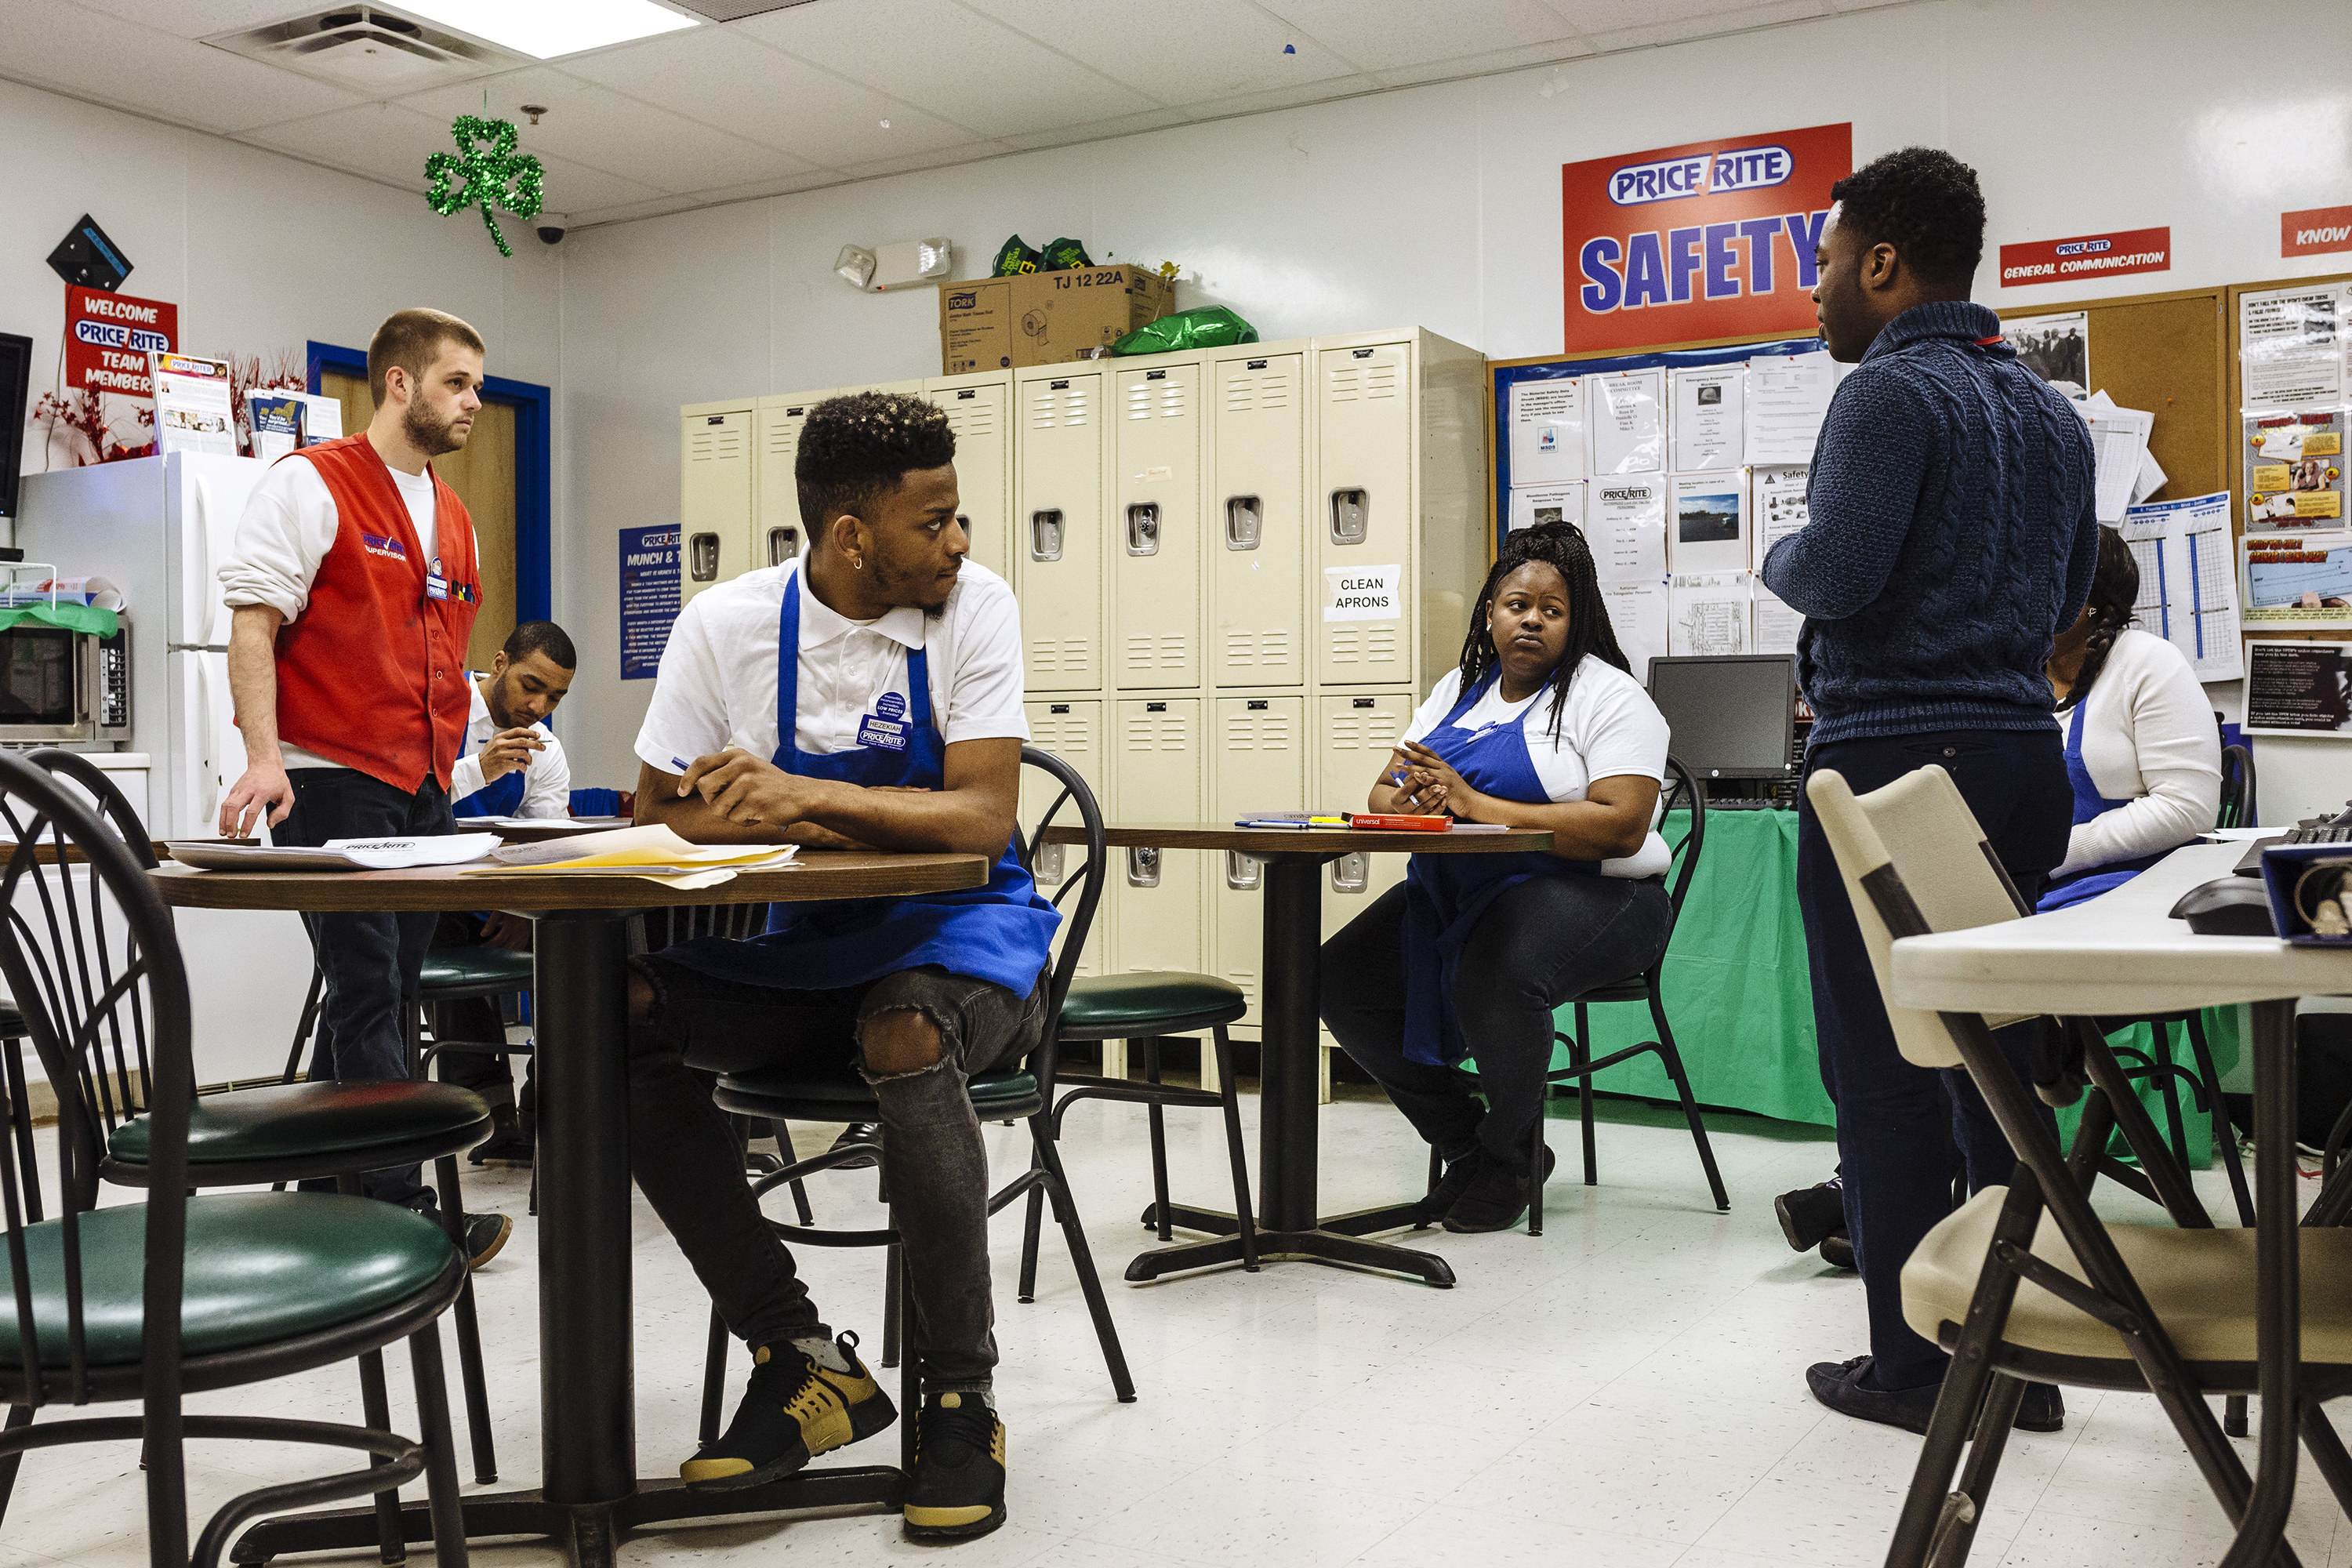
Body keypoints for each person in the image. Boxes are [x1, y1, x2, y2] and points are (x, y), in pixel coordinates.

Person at [626, 391, 1054, 1541]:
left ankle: (960, 1398)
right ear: (850, 534)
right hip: (807, 959)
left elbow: (978, 822)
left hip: (965, 951)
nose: (960, 543)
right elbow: (658, 809)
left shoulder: (977, 609)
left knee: (903, 1029)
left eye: (960, 518)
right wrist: (791, 824)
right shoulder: (726, 625)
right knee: (611, 1013)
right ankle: (801, 1355)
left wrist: (804, 800)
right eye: (936, 522)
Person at [1758, 147, 2099, 1435]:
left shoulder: (1889, 397)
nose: (1818, 293)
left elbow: (1836, 573)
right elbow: (2072, 598)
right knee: (1994, 1071)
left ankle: (1914, 1369)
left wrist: (1781, 549)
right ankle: (2023, 1350)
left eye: (1829, 265)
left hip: (1894, 764)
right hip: (2018, 760)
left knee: (1884, 1073)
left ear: (1886, 266)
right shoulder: (2051, 415)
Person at [217, 306, 510, 1268]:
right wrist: (263, 755)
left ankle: (325, 1186)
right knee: (368, 986)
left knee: (390, 985)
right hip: (329, 774)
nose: (474, 399)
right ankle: (400, 1206)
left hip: (421, 784)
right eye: (458, 381)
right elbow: (255, 625)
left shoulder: (455, 517)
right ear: (399, 383)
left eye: (477, 383)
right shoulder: (312, 483)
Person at [1319, 523, 1674, 1235]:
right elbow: (1382, 795)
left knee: (1496, 973)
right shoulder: (1457, 689)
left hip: (1602, 895)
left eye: (1553, 609)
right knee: (1337, 978)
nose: (1532, 621)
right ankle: (1466, 1146)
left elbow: (1623, 824)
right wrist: (1415, 800)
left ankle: (1508, 1156)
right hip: (1466, 891)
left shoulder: (1609, 696)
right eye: (1518, 605)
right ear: (1490, 612)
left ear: (1576, 623)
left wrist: (1476, 804)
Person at [430, 619, 579, 1164]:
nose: (539, 704)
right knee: (443, 930)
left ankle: (554, 1105)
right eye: (531, 685)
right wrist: (479, 769)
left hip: (493, 891)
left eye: (555, 695)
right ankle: (489, 1117)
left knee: (577, 939)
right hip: (423, 890)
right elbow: (402, 809)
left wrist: (525, 910)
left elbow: (545, 844)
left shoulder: (547, 750)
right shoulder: (437, 708)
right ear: (499, 665)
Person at [2038, 528, 2220, 910]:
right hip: (2039, 886)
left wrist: (2057, 854)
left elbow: (2188, 808)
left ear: (2096, 604)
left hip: (2139, 890)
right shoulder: (2020, 672)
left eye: (2054, 583)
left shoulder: (2149, 662)